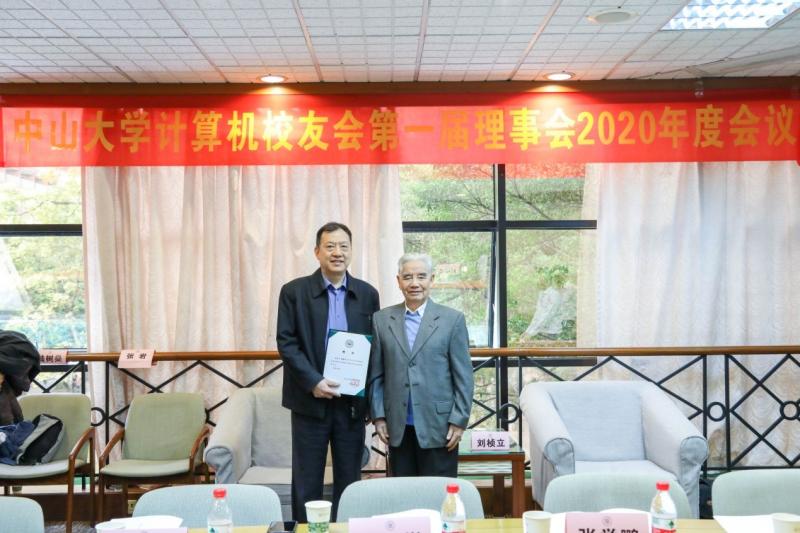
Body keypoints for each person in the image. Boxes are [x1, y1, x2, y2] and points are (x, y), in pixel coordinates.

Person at [277, 222, 380, 522]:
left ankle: (346, 527)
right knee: (307, 478)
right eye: (330, 246)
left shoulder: (367, 294)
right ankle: (306, 529)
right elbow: (286, 342)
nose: (338, 252)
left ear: (351, 251)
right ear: (317, 252)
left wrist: (370, 401)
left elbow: (373, 347)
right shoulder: (294, 292)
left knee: (349, 477)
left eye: (344, 246)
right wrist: (314, 381)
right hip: (310, 401)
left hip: (350, 403)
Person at [368, 253, 474, 477]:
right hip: (397, 426)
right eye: (408, 277)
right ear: (398, 281)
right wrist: (378, 417)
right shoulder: (382, 320)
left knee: (439, 492)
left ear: (431, 279)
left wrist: (459, 420)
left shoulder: (452, 320)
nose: (414, 283)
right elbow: (377, 375)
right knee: (404, 493)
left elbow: (464, 377)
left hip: (440, 426)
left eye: (421, 276)